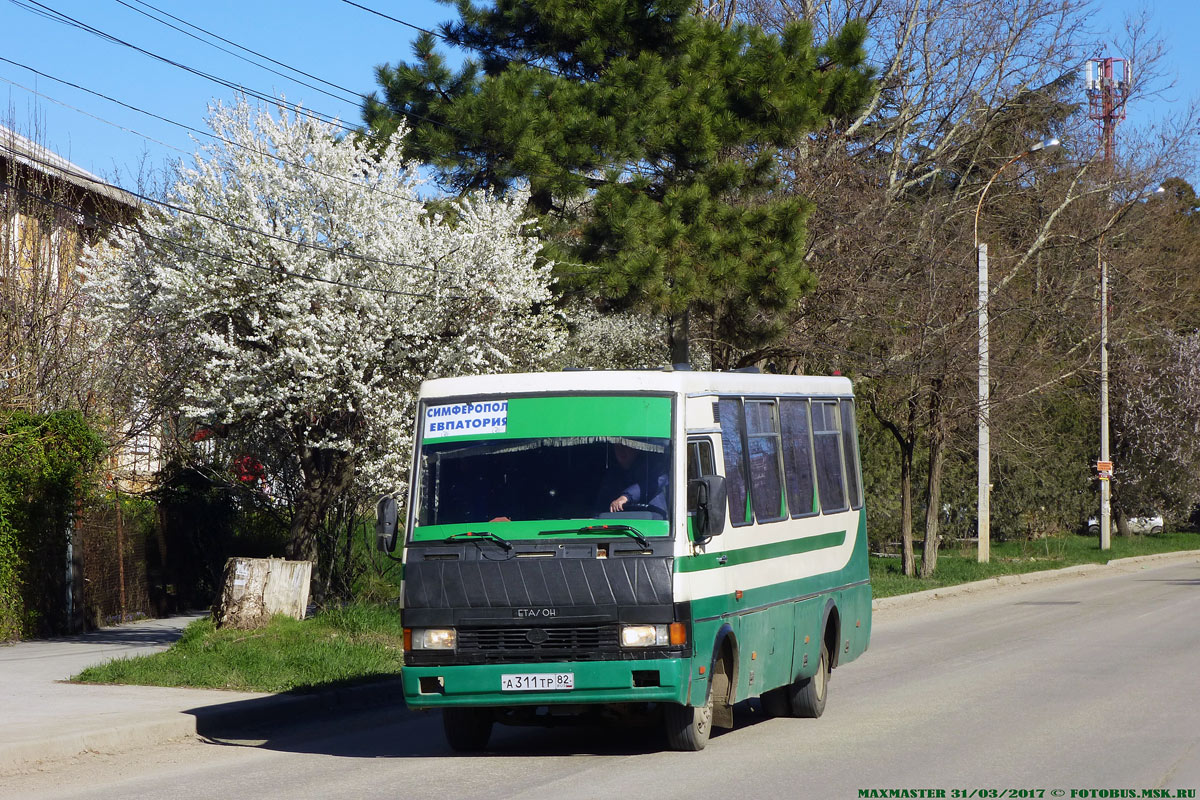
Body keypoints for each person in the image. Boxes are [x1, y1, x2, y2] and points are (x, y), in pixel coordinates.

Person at [597, 442, 669, 516]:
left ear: (637, 447)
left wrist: (626, 497)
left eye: (625, 445)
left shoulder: (653, 466)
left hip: (652, 521)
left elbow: (655, 482)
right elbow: (601, 506)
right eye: (617, 446)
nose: (621, 450)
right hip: (617, 523)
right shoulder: (612, 473)